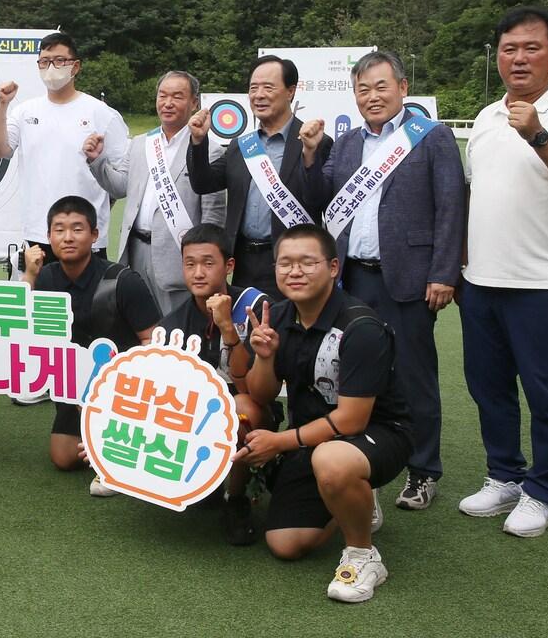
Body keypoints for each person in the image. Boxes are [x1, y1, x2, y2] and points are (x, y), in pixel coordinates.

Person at [458, 6, 548, 537]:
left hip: (543, 285)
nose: (518, 59)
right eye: (508, 49)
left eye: (531, 48)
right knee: (488, 387)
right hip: (481, 284)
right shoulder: (484, 117)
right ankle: (504, 476)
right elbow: (475, 194)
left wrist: (539, 134)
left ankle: (543, 491)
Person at [299, 50, 465, 512]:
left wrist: (443, 273)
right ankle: (361, 466)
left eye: (380, 87)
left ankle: (424, 470)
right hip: (354, 278)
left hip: (411, 279)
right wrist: (312, 153)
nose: (371, 97)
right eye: (362, 89)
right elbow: (321, 198)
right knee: (353, 377)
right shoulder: (348, 143)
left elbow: (452, 208)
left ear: (403, 88)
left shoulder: (432, 138)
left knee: (414, 376)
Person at [236, 224, 411, 603]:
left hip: (377, 432)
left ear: (333, 267)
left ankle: (363, 555)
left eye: (307, 262)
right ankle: (354, 498)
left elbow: (351, 421)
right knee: (284, 543)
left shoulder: (360, 326)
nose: (295, 272)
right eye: (285, 263)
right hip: (312, 439)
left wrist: (279, 442)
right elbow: (261, 394)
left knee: (333, 460)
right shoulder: (278, 316)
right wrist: (264, 359)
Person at [22, 196, 160, 493]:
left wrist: (131, 389)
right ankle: (99, 442)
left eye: (77, 229)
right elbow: (21, 329)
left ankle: (124, 447)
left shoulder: (123, 281)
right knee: (63, 456)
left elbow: (152, 340)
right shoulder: (45, 278)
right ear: (48, 237)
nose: (68, 237)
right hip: (75, 388)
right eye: (59, 230)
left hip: (123, 391)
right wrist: (29, 275)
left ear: (95, 235)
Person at [156, 224, 273, 545]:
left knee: (241, 408)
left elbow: (252, 389)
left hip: (249, 411)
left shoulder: (254, 307)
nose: (198, 273)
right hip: (195, 413)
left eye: (208, 263)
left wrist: (227, 329)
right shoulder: (173, 324)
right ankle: (200, 481)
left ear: (229, 266)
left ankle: (235, 498)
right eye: (189, 264)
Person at [188, 55, 332, 296]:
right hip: (243, 261)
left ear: (290, 91)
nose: (259, 95)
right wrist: (198, 141)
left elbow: (318, 198)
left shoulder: (316, 141)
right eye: (253, 88)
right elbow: (203, 183)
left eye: (268, 87)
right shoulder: (241, 146)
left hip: (292, 263)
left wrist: (309, 154)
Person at [86, 70, 226, 315]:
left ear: (194, 102)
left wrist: (205, 263)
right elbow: (119, 186)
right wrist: (98, 162)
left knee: (177, 332)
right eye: (163, 95)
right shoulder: (141, 143)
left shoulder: (210, 150)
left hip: (179, 258)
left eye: (177, 96)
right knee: (138, 327)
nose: (168, 103)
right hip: (135, 250)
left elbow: (213, 216)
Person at [0, 31, 128, 265]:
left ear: (75, 67)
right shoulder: (25, 112)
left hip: (86, 235)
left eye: (59, 60)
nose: (51, 67)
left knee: (88, 300)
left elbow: (122, 178)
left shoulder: (102, 113)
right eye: (44, 61)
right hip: (39, 233)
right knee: (42, 300)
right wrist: (2, 105)